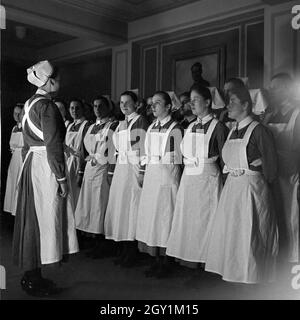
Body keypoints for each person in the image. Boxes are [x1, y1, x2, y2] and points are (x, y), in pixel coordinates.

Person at [12, 60, 78, 297]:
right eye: (57, 79)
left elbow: (31, 142)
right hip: (45, 168)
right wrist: (61, 178)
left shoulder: (30, 103)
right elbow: (52, 145)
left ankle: (33, 275)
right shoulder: (48, 107)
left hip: (32, 165)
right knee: (45, 218)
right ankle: (33, 277)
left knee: (33, 219)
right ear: (49, 81)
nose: (59, 83)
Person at [204, 86, 278, 284]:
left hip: (251, 191)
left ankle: (251, 281)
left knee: (249, 236)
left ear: (246, 105)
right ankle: (234, 275)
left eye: (233, 101)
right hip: (232, 190)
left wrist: (259, 178)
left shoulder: (259, 131)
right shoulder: (232, 131)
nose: (228, 105)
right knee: (233, 234)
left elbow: (271, 169)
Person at [166, 85, 228, 268]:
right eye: (189, 101)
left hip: (207, 179)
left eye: (195, 100)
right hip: (189, 178)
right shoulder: (191, 126)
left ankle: (207, 262)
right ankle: (191, 259)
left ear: (208, 102)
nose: (191, 104)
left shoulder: (219, 127)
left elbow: (226, 159)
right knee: (190, 219)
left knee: (205, 220)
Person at [136, 91, 183, 278]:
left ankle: (167, 261)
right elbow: (145, 152)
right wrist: (142, 171)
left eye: (157, 103)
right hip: (152, 177)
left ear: (168, 106)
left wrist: (157, 159)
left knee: (166, 216)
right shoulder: (151, 127)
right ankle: (156, 259)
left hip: (167, 177)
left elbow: (176, 156)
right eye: (152, 103)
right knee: (153, 217)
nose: (153, 106)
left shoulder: (176, 127)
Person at [104, 91, 149, 267]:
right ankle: (123, 249)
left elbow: (144, 148)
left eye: (127, 102)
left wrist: (143, 171)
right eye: (121, 102)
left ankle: (132, 251)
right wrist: (111, 170)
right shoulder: (121, 124)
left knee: (132, 208)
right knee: (121, 208)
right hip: (121, 169)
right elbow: (113, 150)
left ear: (136, 104)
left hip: (134, 167)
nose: (123, 105)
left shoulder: (141, 121)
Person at [75, 96, 118, 258]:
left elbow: (113, 150)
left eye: (101, 106)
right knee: (89, 205)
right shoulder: (91, 126)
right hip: (89, 169)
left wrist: (111, 172)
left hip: (102, 168)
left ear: (108, 108)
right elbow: (84, 151)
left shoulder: (113, 125)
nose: (97, 109)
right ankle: (93, 241)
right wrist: (81, 170)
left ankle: (103, 243)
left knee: (100, 205)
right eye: (94, 106)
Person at [264, 73, 300, 264]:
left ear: (286, 89)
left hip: (291, 175)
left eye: (275, 88)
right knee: (274, 217)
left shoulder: (297, 113)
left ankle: (292, 265)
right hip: (272, 173)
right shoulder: (270, 113)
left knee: (291, 219)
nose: (271, 91)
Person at [65, 98, 89, 209]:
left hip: (78, 163)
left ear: (83, 110)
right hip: (68, 162)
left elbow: (85, 150)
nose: (74, 110)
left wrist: (81, 171)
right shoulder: (69, 125)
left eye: (77, 108)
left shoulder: (86, 125)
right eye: (72, 108)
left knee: (77, 196)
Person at [4, 104, 24, 215]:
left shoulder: (26, 127)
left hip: (23, 157)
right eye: (14, 113)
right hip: (14, 159)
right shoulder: (14, 128)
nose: (16, 116)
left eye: (19, 113)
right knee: (13, 183)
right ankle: (13, 211)